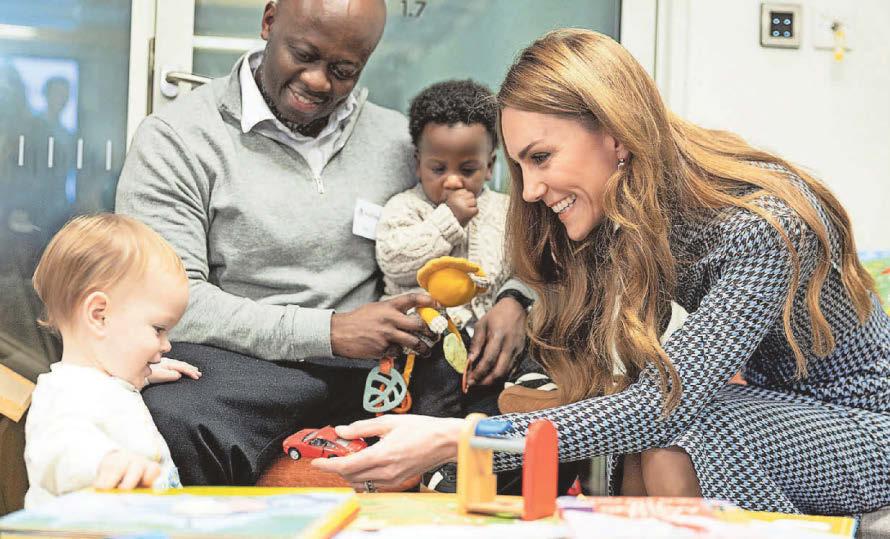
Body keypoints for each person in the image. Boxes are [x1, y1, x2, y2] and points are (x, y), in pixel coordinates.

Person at [314, 29, 890, 515]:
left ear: (615, 135)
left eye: (541, 157)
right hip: (773, 407)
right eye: (519, 166)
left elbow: (661, 404)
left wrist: (457, 438)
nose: (530, 190)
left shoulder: (763, 225)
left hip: (866, 432)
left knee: (681, 430)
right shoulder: (632, 214)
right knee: (642, 439)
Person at [115, 0, 527, 486]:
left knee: (517, 417)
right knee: (171, 415)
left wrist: (515, 296)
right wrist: (330, 331)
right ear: (269, 21)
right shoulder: (177, 139)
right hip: (247, 367)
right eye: (303, 55)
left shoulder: (400, 143)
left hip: (382, 367)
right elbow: (173, 304)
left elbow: (493, 226)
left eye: (343, 70)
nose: (317, 81)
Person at [375, 79, 555, 420]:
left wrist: (514, 301)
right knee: (434, 386)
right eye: (438, 168)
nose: (453, 180)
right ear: (418, 163)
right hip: (427, 340)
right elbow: (395, 261)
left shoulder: (506, 211)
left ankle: (531, 393)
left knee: (532, 348)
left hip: (489, 337)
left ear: (490, 166)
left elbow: (531, 268)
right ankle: (436, 445)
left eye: (468, 169)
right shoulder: (405, 208)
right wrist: (449, 219)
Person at [24, 214, 201, 507]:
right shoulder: (63, 394)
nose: (166, 344)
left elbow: (110, 395)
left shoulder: (105, 381)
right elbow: (59, 449)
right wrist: (106, 461)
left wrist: (147, 373)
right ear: (99, 316)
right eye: (158, 329)